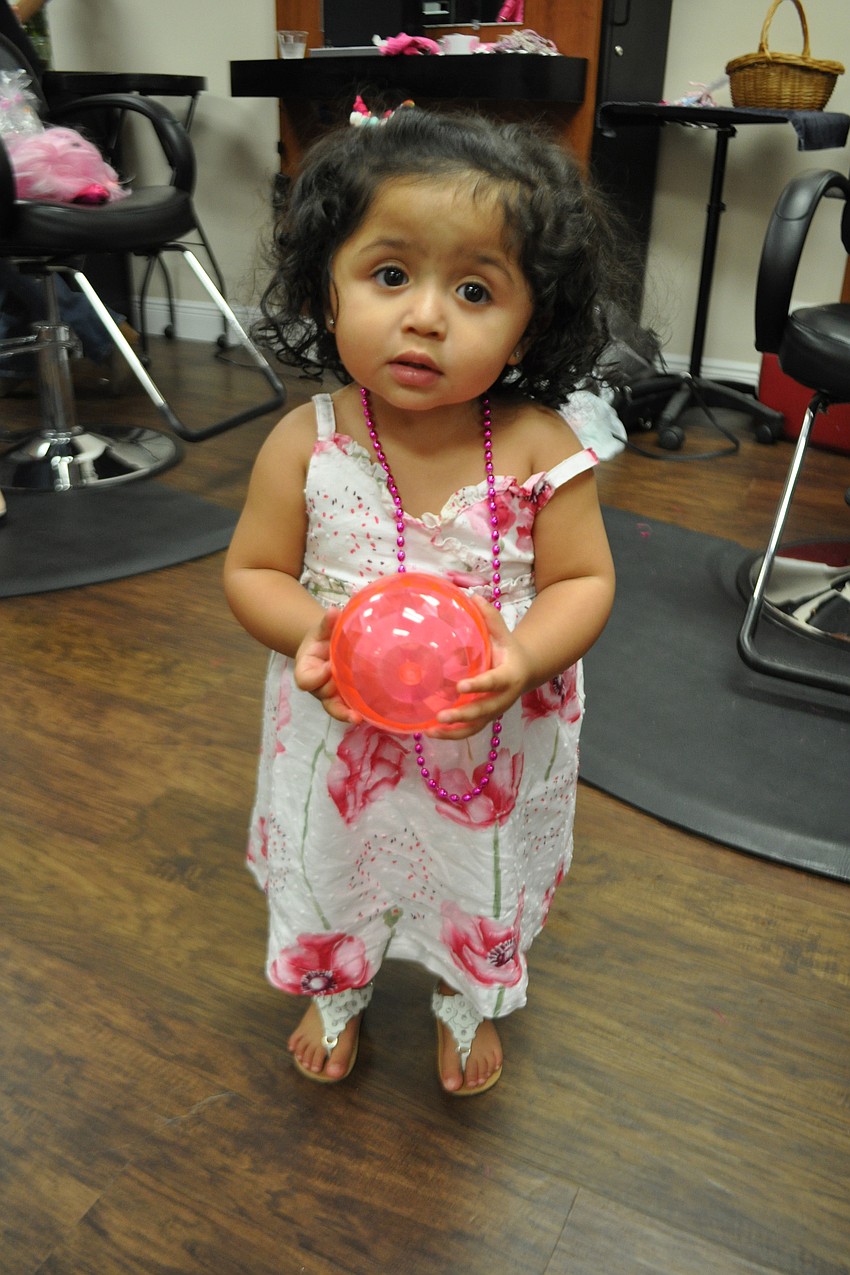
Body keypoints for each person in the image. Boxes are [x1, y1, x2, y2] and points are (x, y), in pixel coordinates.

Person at [224, 106, 620, 1096]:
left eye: (476, 288)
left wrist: (524, 659)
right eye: (389, 275)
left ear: (535, 320)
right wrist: (309, 631)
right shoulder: (303, 442)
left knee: (471, 874)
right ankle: (336, 984)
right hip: (339, 732)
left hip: (486, 737)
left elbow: (584, 581)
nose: (426, 316)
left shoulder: (537, 448)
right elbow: (252, 572)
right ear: (328, 290)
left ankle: (463, 995)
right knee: (336, 858)